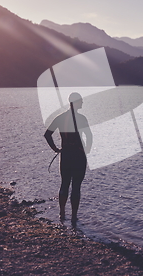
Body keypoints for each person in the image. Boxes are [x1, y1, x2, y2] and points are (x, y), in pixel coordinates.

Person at [44, 92, 92, 223]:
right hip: (78, 155)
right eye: (81, 101)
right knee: (76, 186)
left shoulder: (60, 118)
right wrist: (86, 150)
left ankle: (62, 214)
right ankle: (74, 217)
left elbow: (47, 135)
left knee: (64, 184)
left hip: (65, 155)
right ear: (75, 102)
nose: (82, 102)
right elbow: (89, 136)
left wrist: (56, 149)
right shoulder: (82, 118)